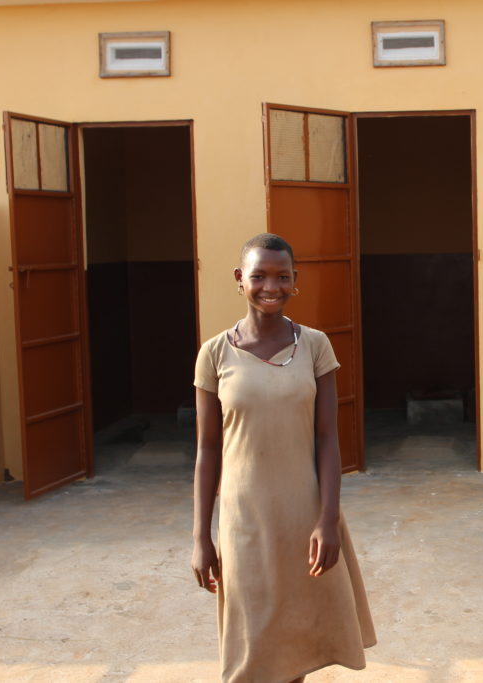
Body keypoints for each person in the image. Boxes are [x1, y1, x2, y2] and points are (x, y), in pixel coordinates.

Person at [191, 232, 375, 682]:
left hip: (304, 516)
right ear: (240, 279)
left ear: (296, 281)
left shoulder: (314, 346)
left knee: (297, 641)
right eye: (258, 276)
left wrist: (327, 519)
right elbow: (207, 449)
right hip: (244, 519)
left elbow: (328, 438)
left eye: (282, 276)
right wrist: (201, 535)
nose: (270, 286)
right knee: (252, 645)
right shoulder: (214, 354)